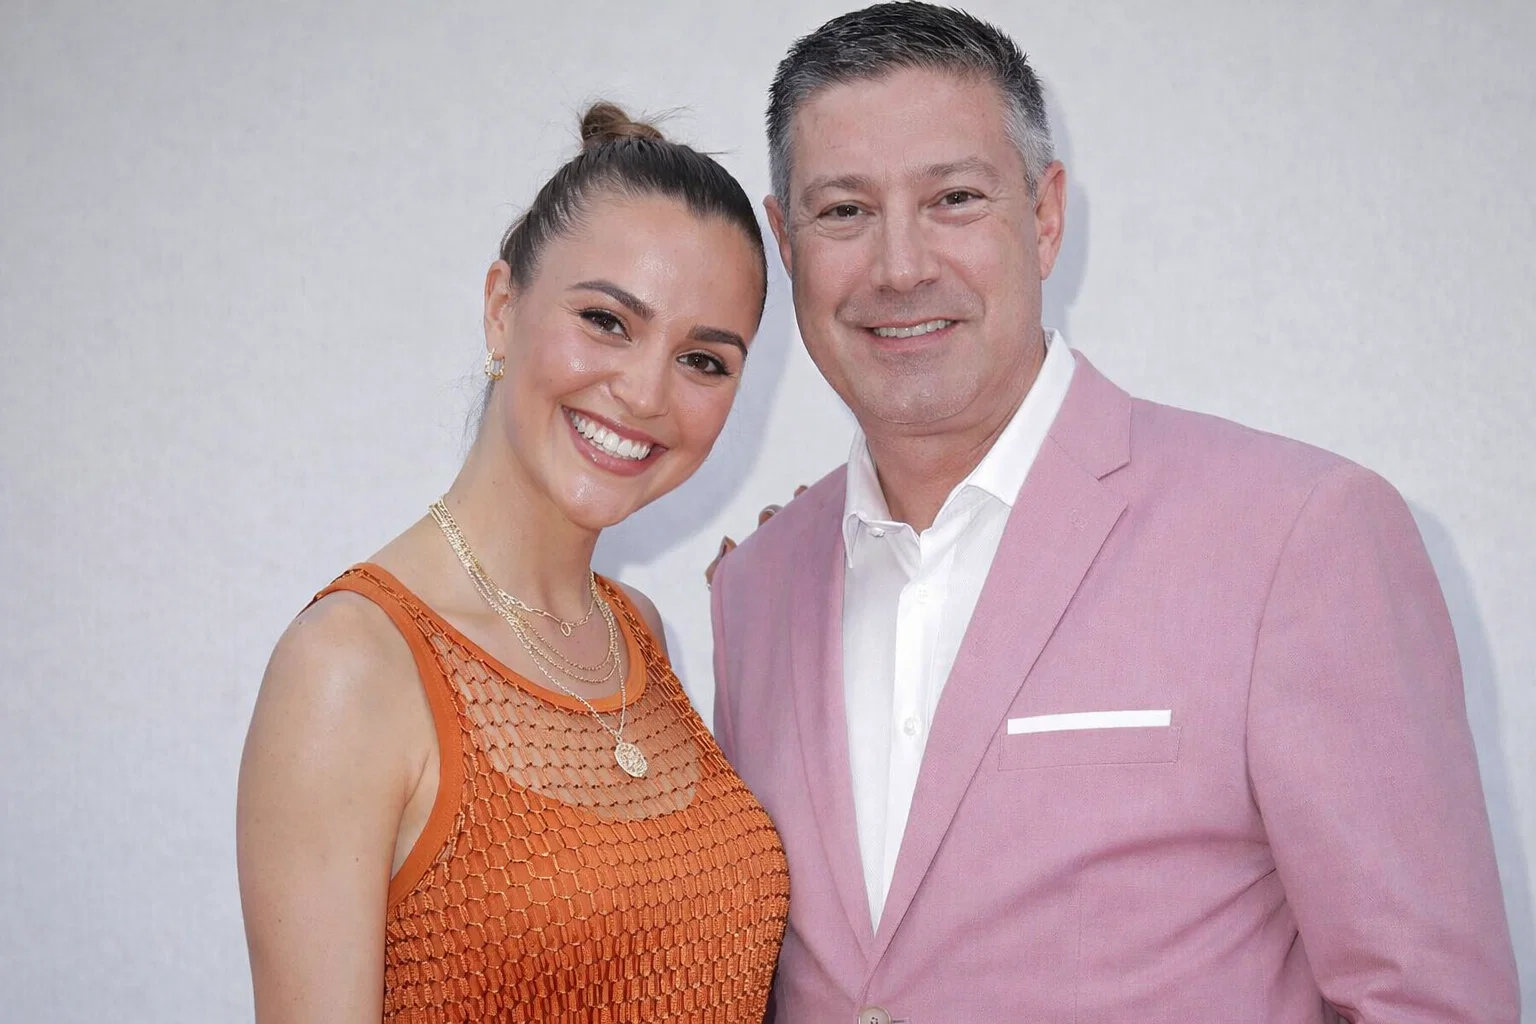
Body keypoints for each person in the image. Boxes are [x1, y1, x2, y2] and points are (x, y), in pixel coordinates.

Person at [707, 5, 1520, 1021]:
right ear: (786, 243)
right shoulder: (754, 588)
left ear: (1045, 217)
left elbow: (1430, 1000)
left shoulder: (1298, 535)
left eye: (954, 198)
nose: (900, 265)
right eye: (843, 211)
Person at [237, 103, 789, 1023]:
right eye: (607, 321)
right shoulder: (351, 666)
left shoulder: (638, 635)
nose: (644, 392)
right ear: (503, 310)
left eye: (703, 359)